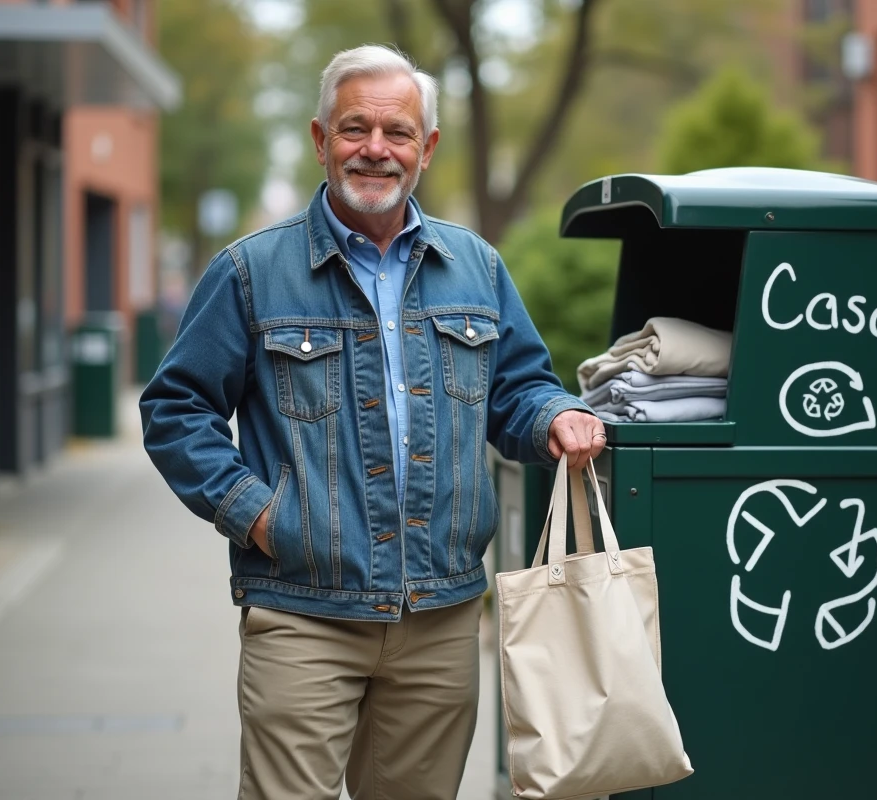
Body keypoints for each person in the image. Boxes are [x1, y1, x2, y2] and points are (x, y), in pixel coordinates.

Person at [140, 43, 606, 800]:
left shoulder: (477, 268)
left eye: (397, 134)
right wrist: (261, 515)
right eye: (355, 129)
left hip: (441, 616)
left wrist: (556, 414)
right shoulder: (251, 273)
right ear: (322, 141)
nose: (375, 150)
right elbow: (175, 409)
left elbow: (518, 387)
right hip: (302, 610)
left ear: (426, 149)